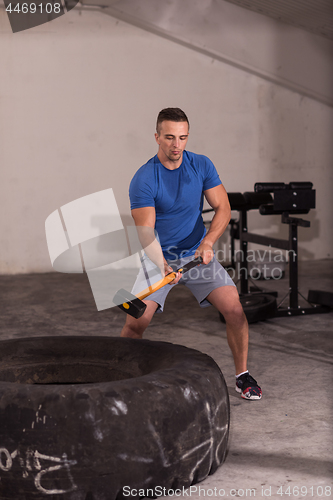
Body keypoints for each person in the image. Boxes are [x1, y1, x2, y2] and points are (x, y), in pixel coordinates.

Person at [121, 108, 262, 400]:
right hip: (157, 256)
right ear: (157, 136)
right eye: (170, 137)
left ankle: (242, 376)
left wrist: (209, 241)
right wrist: (161, 266)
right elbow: (146, 233)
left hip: (197, 254)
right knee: (135, 325)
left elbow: (223, 207)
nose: (176, 145)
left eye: (182, 137)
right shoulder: (144, 178)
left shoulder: (201, 165)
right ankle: (121, 382)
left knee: (235, 311)